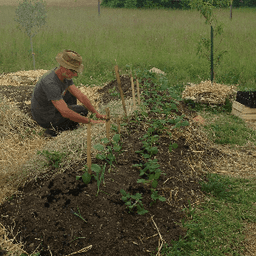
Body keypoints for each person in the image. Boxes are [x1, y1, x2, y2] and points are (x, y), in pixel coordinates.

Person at [31, 49, 106, 137]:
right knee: (74, 115)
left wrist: (96, 113)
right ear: (63, 67)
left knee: (82, 110)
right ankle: (52, 131)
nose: (75, 75)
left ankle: (70, 123)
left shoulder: (65, 76)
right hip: (45, 116)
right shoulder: (50, 83)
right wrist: (91, 122)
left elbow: (80, 96)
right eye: (73, 71)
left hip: (53, 108)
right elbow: (65, 112)